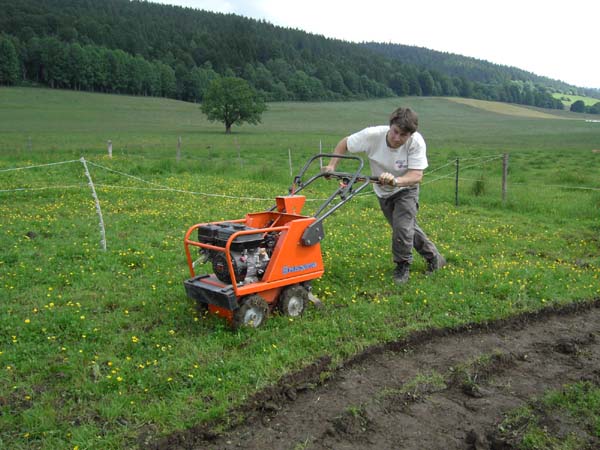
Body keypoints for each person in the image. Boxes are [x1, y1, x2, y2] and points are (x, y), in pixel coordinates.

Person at [322, 107, 446, 284]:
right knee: (404, 227)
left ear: (410, 135)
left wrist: (396, 181)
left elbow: (417, 176)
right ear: (390, 126)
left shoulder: (416, 142)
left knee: (402, 228)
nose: (397, 138)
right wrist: (332, 166)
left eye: (403, 135)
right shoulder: (372, 135)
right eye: (395, 132)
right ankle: (434, 257)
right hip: (382, 191)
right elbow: (345, 143)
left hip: (406, 189)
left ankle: (402, 266)